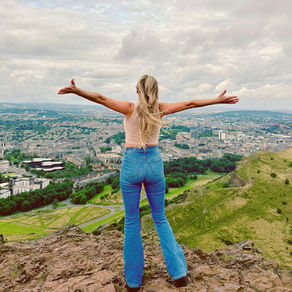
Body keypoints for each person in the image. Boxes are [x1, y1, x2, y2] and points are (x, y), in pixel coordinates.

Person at [58, 75, 239, 291]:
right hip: (154, 162)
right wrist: (217, 101)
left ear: (137, 91)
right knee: (160, 218)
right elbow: (191, 103)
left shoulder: (128, 108)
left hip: (132, 163)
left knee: (132, 221)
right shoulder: (160, 109)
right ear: (156, 91)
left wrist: (76, 90)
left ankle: (134, 281)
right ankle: (179, 274)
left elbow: (100, 98)